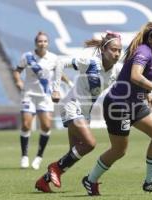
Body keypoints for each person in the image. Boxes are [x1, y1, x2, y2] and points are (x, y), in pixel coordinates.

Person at [81, 21, 152, 196]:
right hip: (118, 105)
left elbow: (139, 77)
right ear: (151, 39)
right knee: (119, 150)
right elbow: (135, 76)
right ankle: (90, 180)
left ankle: (150, 182)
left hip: (136, 104)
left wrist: (147, 93)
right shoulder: (143, 52)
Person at [35, 31, 122, 193]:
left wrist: (148, 92)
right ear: (103, 50)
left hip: (85, 113)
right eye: (113, 49)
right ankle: (54, 167)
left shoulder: (117, 70)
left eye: (119, 50)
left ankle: (44, 181)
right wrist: (55, 90)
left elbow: (134, 78)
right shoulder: (90, 63)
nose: (117, 53)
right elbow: (60, 63)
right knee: (90, 144)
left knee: (73, 154)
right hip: (71, 105)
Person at [13, 31, 73, 170]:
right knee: (26, 125)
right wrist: (18, 81)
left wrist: (69, 84)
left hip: (45, 96)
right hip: (28, 94)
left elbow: (59, 73)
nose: (42, 43)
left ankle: (39, 157)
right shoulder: (27, 57)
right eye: (40, 41)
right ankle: (24, 156)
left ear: (48, 43)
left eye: (45, 41)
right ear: (36, 43)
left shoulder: (53, 58)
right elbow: (17, 70)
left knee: (46, 126)